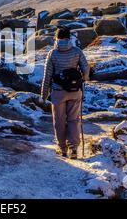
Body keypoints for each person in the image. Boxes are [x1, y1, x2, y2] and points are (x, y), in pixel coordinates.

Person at [41, 27, 90, 159]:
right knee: (74, 120)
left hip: (58, 92)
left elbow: (47, 76)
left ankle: (62, 148)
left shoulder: (52, 53)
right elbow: (86, 68)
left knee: (59, 121)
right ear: (69, 38)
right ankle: (73, 149)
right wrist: (82, 80)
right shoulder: (77, 51)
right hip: (75, 91)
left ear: (56, 39)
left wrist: (44, 95)